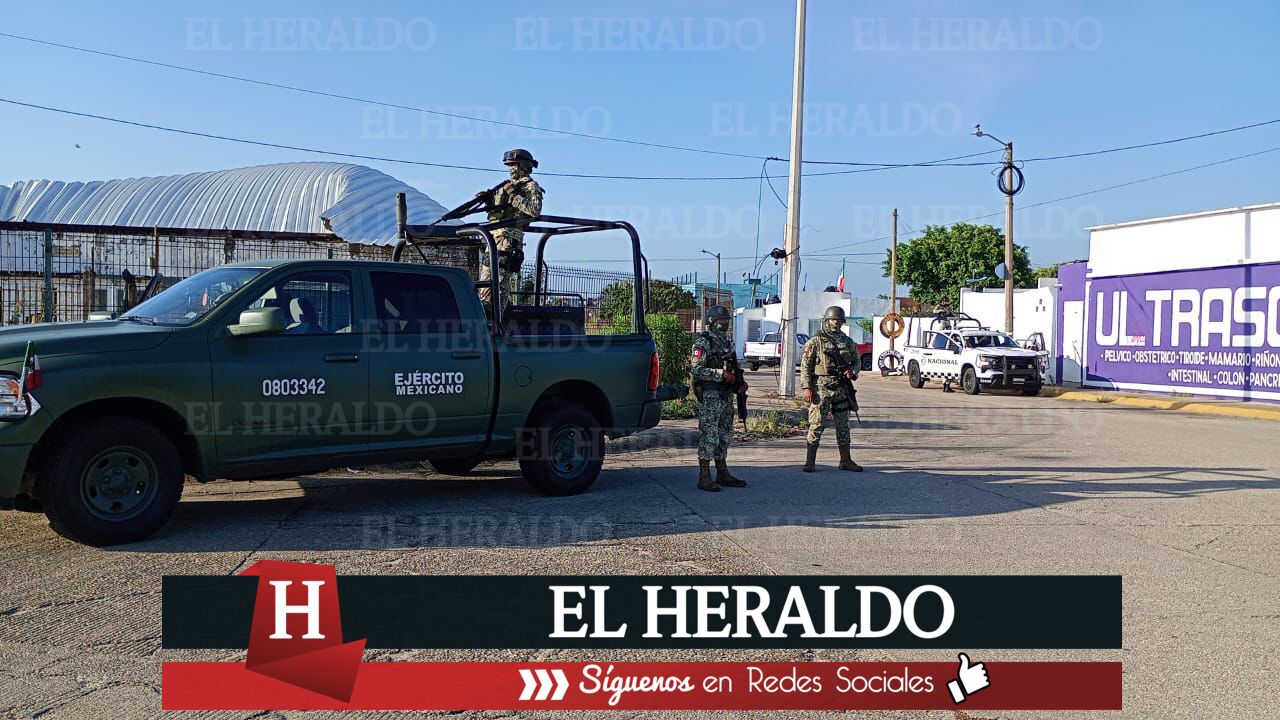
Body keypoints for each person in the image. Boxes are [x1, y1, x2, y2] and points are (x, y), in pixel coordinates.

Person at [690, 305, 748, 492]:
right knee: (710, 435)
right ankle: (704, 476)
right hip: (711, 395)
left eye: (726, 321)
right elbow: (696, 370)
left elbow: (733, 365)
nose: (724, 324)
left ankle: (722, 472)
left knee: (724, 434)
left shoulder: (727, 342)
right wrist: (720, 374)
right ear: (711, 323)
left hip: (725, 395)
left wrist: (740, 383)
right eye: (721, 321)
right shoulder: (703, 343)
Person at [477, 149, 544, 310]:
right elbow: (499, 213)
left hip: (508, 239)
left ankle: (495, 321)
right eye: (509, 165)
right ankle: (488, 316)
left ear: (523, 166)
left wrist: (514, 195)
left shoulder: (530, 186)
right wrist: (488, 201)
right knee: (486, 282)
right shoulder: (507, 186)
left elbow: (534, 210)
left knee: (498, 282)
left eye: (513, 165)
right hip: (493, 236)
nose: (510, 169)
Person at [800, 306, 862, 473]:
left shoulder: (847, 341)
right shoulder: (816, 341)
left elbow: (857, 361)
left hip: (841, 388)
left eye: (839, 320)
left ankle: (845, 460)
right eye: (833, 319)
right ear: (826, 320)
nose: (836, 322)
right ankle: (810, 461)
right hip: (821, 387)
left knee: (843, 425)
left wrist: (853, 372)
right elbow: (806, 365)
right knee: (816, 424)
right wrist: (807, 387)